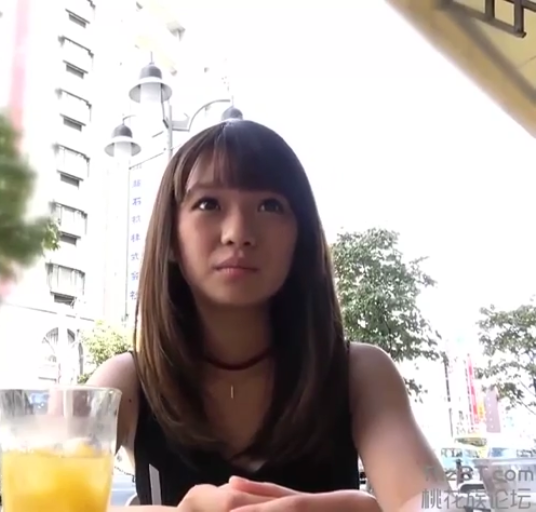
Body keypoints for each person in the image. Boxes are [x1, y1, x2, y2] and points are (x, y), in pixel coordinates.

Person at [92, 120, 450, 512]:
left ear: (300, 237)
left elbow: (437, 502)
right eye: (208, 204)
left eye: (270, 206)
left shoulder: (360, 373)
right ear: (171, 238)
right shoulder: (125, 383)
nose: (238, 233)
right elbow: (49, 493)